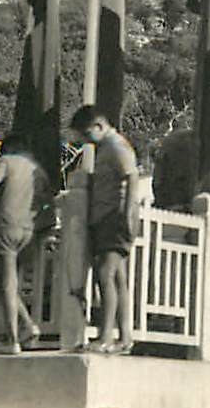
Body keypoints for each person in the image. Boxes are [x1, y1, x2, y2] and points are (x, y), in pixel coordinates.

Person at [69, 105, 141, 354]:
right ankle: (125, 337)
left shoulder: (116, 146)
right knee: (118, 279)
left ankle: (105, 336)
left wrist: (128, 214)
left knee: (105, 274)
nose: (85, 140)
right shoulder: (105, 149)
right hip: (106, 217)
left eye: (87, 134)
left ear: (99, 126)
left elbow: (132, 177)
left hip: (115, 217)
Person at [0, 136, 45, 353]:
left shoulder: (6, 162)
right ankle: (27, 325)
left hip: (6, 226)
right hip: (29, 229)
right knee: (1, 283)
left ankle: (12, 339)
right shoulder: (37, 169)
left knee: (6, 284)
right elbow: (47, 200)